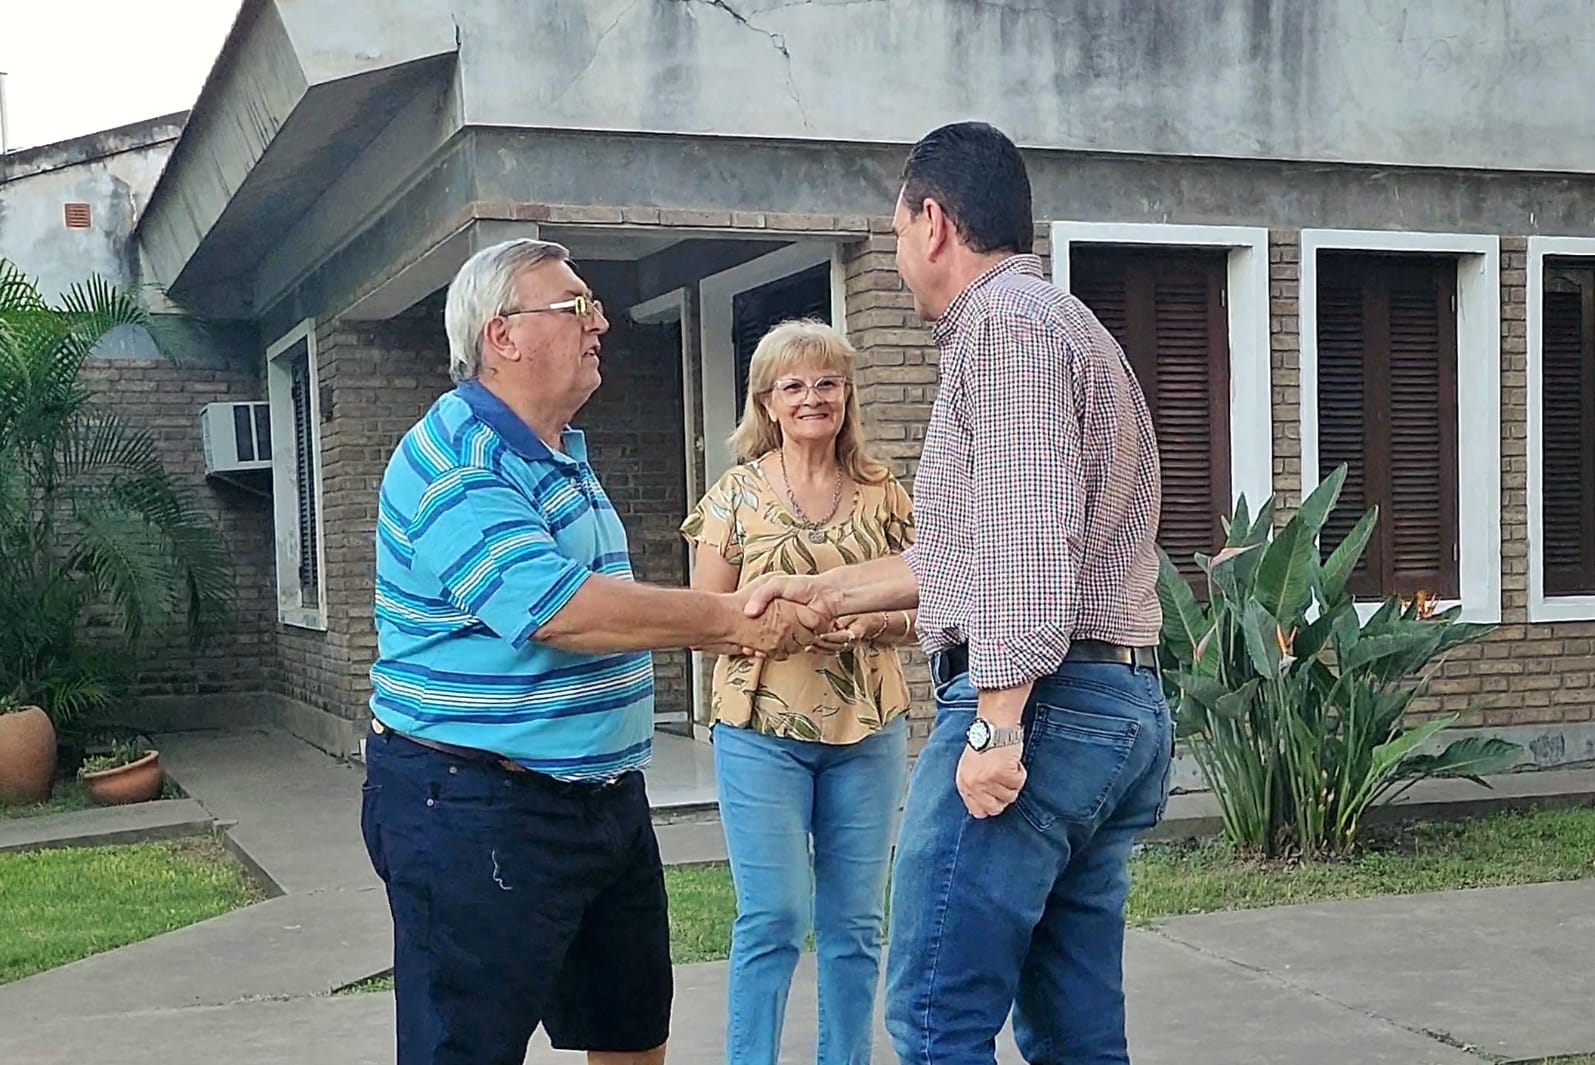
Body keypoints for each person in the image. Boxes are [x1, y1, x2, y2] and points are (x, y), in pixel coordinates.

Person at [743, 122, 1175, 1064]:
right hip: (1111, 705)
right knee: (1075, 1030)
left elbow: (1024, 542)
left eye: (897, 230)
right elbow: (965, 556)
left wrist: (996, 727)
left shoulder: (1005, 328)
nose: (897, 251)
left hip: (1040, 710)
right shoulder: (1062, 323)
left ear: (933, 222)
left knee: (937, 1017)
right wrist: (822, 590)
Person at [359, 238, 825, 1065]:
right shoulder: (457, 456)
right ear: (503, 335)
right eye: (577, 307)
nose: (600, 323)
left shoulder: (556, 451)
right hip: (475, 806)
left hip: (602, 801)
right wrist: (729, 619)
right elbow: (557, 610)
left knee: (631, 1035)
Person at [681, 319, 919, 1065]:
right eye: (795, 385)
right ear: (767, 402)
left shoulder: (884, 492)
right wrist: (776, 628)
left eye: (828, 383)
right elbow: (704, 621)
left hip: (868, 728)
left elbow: (933, 603)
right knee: (774, 916)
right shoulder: (735, 494)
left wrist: (875, 621)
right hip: (761, 732)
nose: (813, 397)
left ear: (847, 395)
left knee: (856, 925)